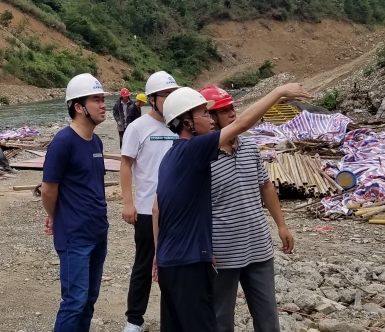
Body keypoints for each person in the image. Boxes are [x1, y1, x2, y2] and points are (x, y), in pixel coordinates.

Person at [153, 83, 311, 332]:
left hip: (181, 259)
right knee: (215, 322)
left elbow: (161, 208)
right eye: (205, 113)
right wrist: (278, 92)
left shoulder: (172, 157)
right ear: (186, 122)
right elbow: (244, 124)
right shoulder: (196, 151)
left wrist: (158, 252)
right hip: (197, 260)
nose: (210, 119)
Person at [200, 85, 294, 332]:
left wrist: (281, 225)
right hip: (222, 252)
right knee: (220, 319)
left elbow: (266, 186)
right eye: (224, 110)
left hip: (258, 246)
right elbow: (194, 209)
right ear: (210, 117)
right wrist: (204, 247)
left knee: (268, 318)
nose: (232, 113)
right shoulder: (201, 157)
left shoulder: (250, 148)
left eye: (232, 107)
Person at [41, 73, 109, 332]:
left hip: (98, 231)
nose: (103, 105)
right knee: (74, 302)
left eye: (103, 99)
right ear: (79, 107)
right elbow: (48, 190)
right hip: (75, 236)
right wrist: (55, 216)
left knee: (89, 300)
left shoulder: (96, 141)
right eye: (96, 100)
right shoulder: (63, 142)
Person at [119, 71, 179, 332]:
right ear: (153, 99)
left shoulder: (180, 126)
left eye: (174, 94)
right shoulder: (138, 128)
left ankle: (175, 318)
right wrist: (128, 203)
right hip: (145, 209)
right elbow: (125, 165)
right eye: (167, 95)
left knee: (176, 266)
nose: (172, 100)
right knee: (144, 265)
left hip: (177, 210)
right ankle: (134, 320)